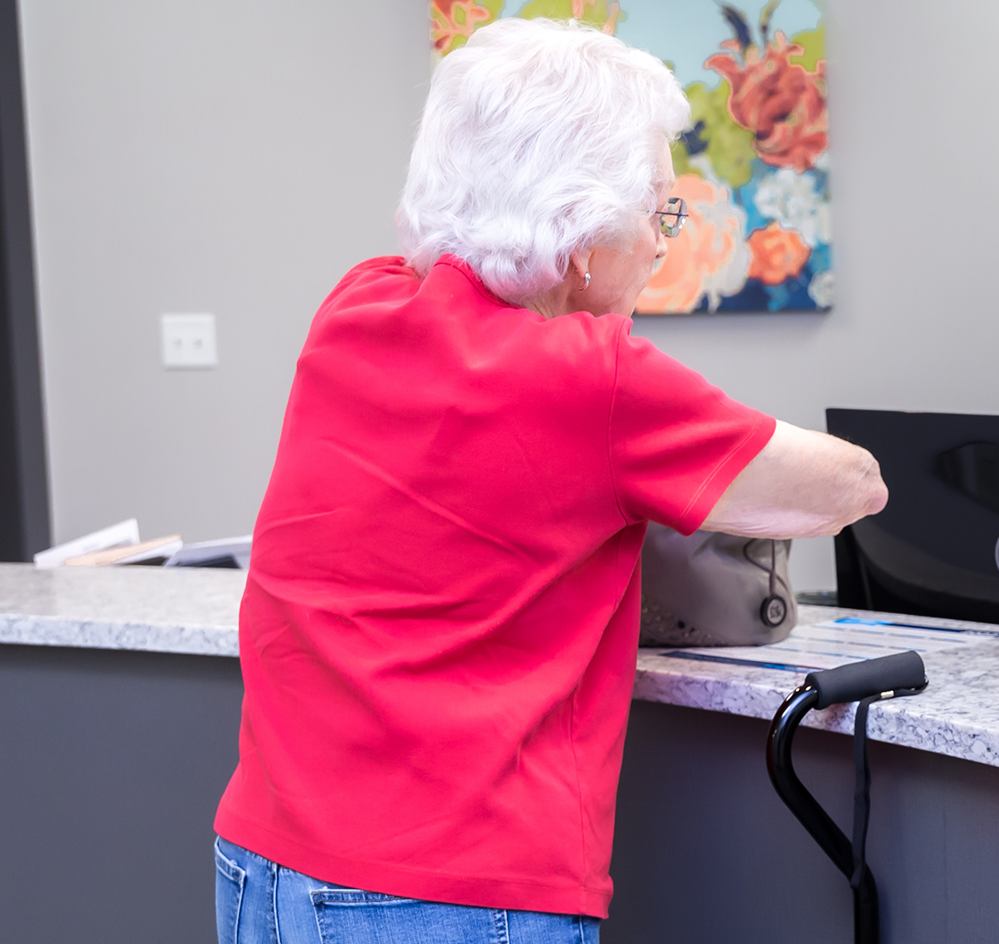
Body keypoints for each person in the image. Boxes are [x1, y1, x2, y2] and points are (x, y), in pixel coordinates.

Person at [209, 20, 887, 944]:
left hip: (263, 864)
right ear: (581, 235)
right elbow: (847, 486)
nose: (662, 244)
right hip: (446, 891)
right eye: (659, 212)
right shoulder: (593, 381)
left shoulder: (358, 302)